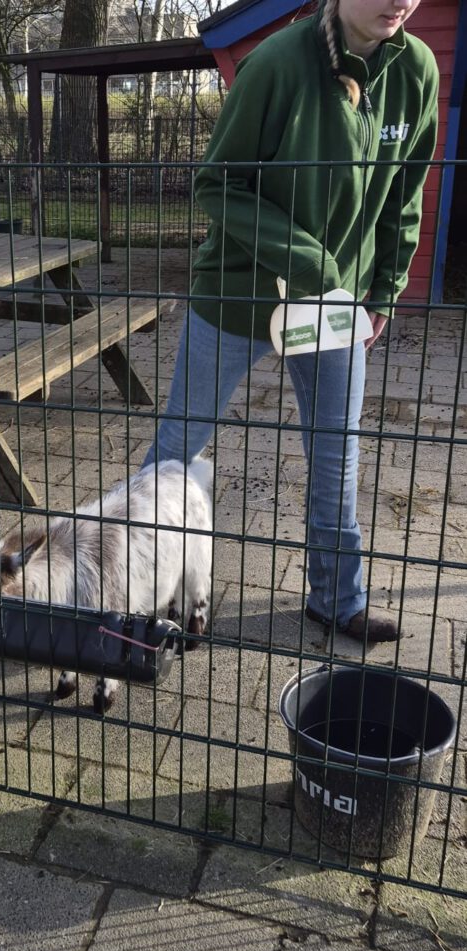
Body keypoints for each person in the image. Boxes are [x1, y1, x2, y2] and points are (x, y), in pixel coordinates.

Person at [144, 0, 439, 642]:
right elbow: (217, 184)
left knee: (337, 455)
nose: (401, 2)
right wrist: (311, 260)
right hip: (237, 294)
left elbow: (406, 192)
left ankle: (338, 600)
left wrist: (382, 290)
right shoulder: (275, 64)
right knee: (179, 445)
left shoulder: (415, 69)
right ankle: (137, 590)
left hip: (339, 308)